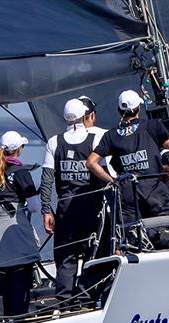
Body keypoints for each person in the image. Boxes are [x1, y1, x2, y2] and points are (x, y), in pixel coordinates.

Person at [86, 90, 169, 227]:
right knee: (167, 230)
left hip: (127, 192)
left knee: (132, 237)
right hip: (153, 189)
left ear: (119, 110)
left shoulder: (111, 135)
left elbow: (91, 163)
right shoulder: (153, 126)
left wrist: (113, 181)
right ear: (138, 109)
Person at [39, 98, 107, 301]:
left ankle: (64, 300)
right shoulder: (95, 139)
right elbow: (103, 171)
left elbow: (47, 180)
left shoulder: (54, 142)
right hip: (91, 204)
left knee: (65, 255)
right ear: (85, 116)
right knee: (92, 251)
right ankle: (88, 296)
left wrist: (46, 210)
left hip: (64, 207)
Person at [0, 131, 41, 316]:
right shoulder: (21, 172)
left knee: (3, 274)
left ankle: (5, 316)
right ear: (19, 149)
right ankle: (19, 317)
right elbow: (33, 207)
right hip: (14, 224)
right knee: (21, 272)